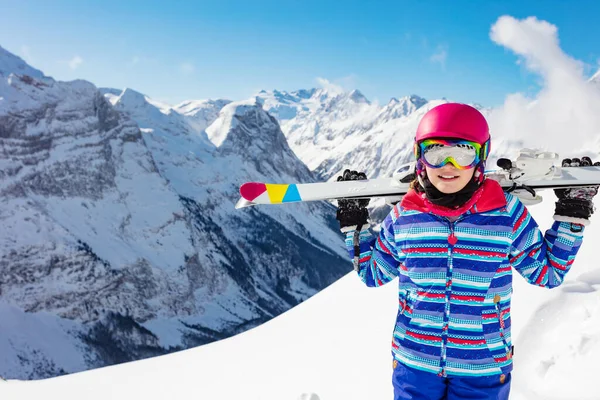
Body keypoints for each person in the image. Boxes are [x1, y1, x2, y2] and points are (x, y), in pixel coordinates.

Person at [335, 103, 598, 400]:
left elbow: (547, 274)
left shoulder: (505, 215)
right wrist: (353, 223)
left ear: (480, 157)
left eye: (463, 153)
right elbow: (373, 274)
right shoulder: (404, 217)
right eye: (436, 153)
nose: (448, 165)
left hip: (482, 367)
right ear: (420, 157)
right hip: (415, 363)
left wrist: (571, 214)